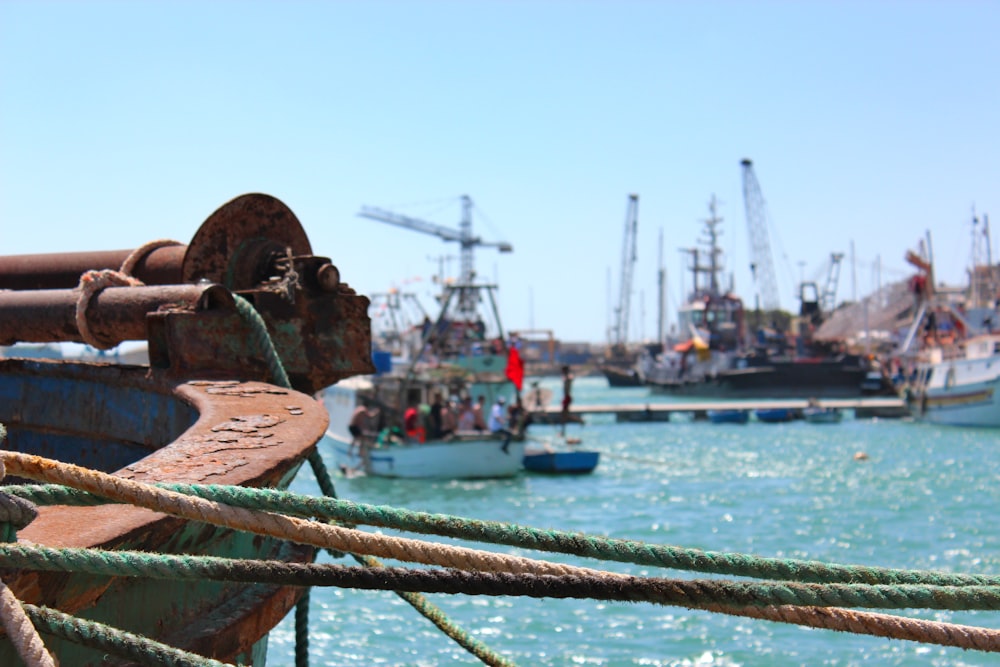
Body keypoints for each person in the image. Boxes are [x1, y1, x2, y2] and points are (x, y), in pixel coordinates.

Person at [560, 365, 574, 437]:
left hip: (567, 397)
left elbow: (571, 378)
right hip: (565, 397)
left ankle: (563, 431)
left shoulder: (568, 377)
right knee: (564, 415)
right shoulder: (566, 378)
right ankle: (563, 431)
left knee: (565, 415)